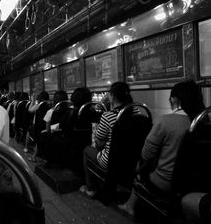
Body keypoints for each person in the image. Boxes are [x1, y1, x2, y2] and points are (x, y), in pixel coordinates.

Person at [118, 80, 205, 217]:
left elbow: (146, 154)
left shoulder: (165, 121)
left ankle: (130, 205)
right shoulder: (204, 122)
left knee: (142, 167)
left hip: (166, 182)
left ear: (175, 99)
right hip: (197, 183)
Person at [81, 82, 134, 197]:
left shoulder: (108, 116)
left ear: (112, 96)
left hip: (111, 160)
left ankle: (91, 189)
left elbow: (99, 143)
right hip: (131, 158)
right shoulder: (137, 112)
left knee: (87, 150)